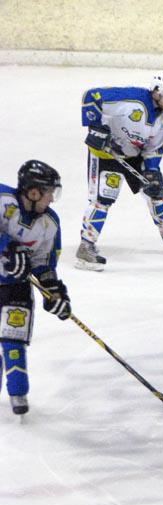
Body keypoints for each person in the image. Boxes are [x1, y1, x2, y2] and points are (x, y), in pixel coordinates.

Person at [76, 71, 163, 270]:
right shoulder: (131, 99)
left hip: (135, 154)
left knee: (156, 190)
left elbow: (155, 147)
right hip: (106, 154)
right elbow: (92, 96)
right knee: (103, 199)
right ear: (157, 91)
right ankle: (86, 246)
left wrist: (152, 170)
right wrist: (95, 127)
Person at [0, 161, 72, 416]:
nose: (52, 199)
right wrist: (7, 246)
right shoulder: (3, 199)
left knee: (13, 338)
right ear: (33, 192)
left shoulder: (50, 223)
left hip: (16, 287)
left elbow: (44, 264)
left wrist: (54, 292)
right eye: (49, 192)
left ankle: (18, 392)